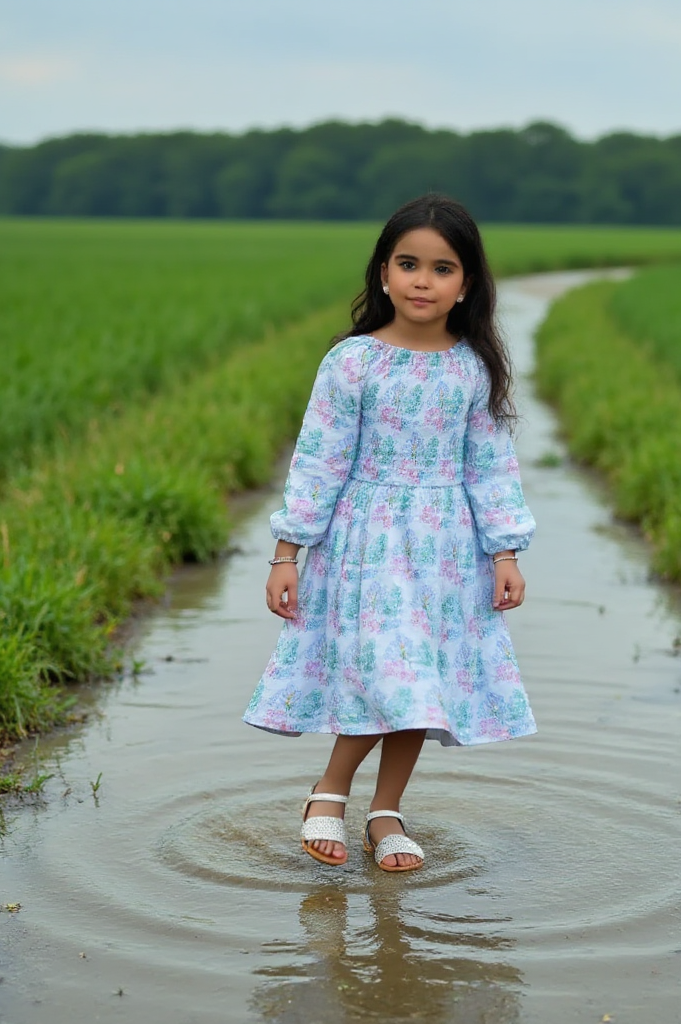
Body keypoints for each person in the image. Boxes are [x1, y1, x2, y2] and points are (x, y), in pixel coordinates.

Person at [243, 194, 536, 872]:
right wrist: (288, 552)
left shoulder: (473, 368)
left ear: (467, 286)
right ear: (382, 273)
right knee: (388, 668)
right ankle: (330, 791)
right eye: (408, 264)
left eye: (442, 268)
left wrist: (505, 550)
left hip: (446, 549)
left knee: (421, 682)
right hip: (366, 544)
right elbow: (319, 459)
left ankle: (386, 811)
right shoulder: (352, 362)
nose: (422, 281)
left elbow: (490, 466)